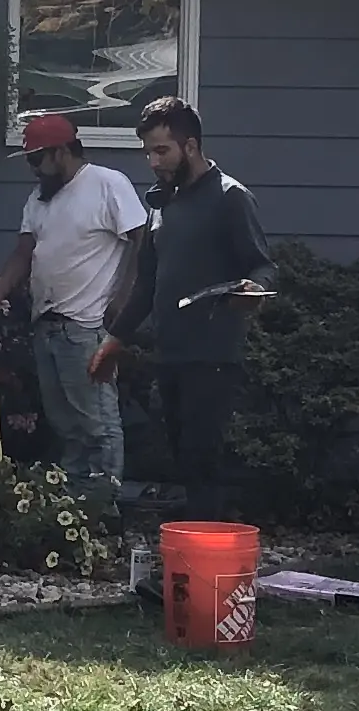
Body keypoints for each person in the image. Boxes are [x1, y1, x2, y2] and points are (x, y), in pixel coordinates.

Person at [97, 94, 270, 519]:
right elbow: (147, 282)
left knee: (202, 463)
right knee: (180, 462)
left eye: (162, 150)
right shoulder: (164, 203)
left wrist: (253, 289)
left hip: (212, 356)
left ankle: (208, 565)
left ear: (190, 146)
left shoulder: (230, 197)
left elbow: (263, 264)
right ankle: (191, 562)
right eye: (148, 152)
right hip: (169, 355)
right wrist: (114, 339)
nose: (153, 162)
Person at [0, 110, 145, 494]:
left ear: (62, 151)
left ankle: (104, 507)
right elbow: (24, 252)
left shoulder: (106, 184)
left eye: (38, 159)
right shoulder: (39, 198)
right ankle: (72, 508)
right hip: (47, 324)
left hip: (87, 326)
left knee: (97, 421)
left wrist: (124, 297)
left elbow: (143, 240)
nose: (34, 169)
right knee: (65, 424)